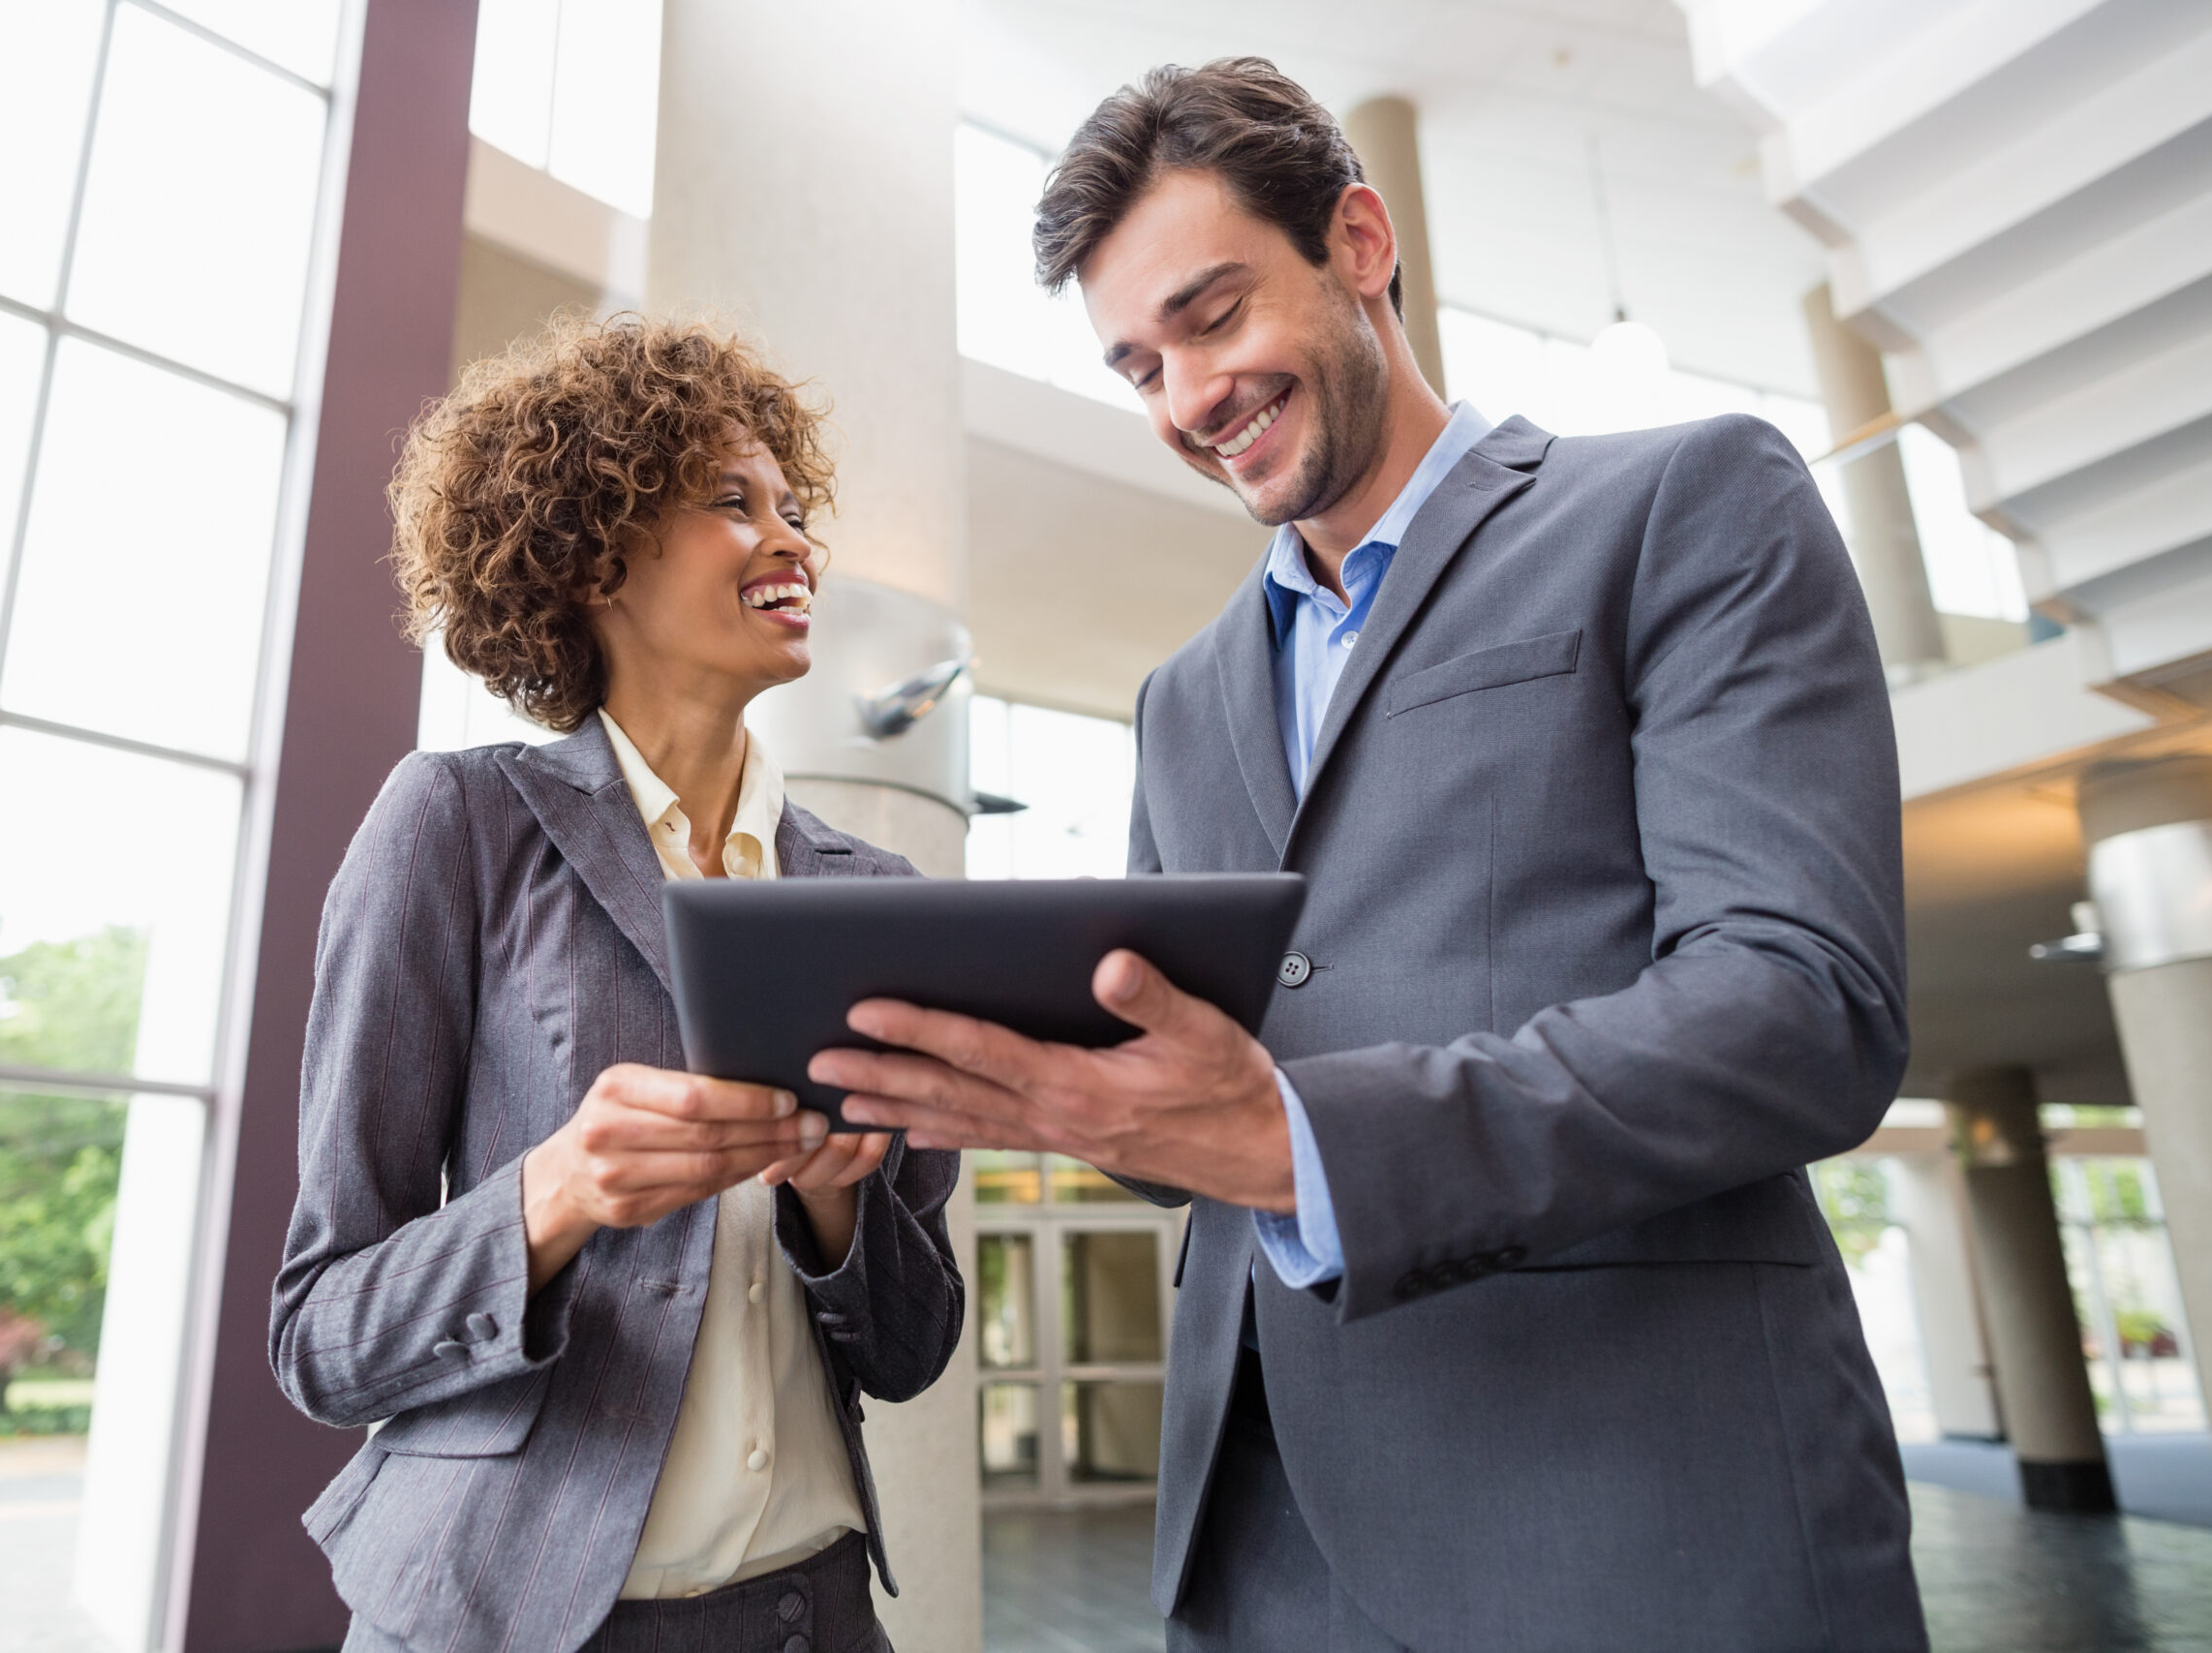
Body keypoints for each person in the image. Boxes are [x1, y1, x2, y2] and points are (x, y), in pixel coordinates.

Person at [812, 58, 1924, 1653]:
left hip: (1630, 1515)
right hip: (1261, 1551)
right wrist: (1045, 1080)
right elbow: (1190, 1113)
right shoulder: (1183, 698)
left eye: (1211, 318)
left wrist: (1298, 1144)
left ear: (1357, 241)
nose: (1187, 399)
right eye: (1139, 366)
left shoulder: (1684, 503)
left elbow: (1803, 1005)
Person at [270, 315, 960, 1653]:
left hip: (812, 1619)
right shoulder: (455, 827)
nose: (792, 541)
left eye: (793, 508)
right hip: (502, 1618)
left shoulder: (878, 896)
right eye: (732, 502)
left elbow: (913, 1347)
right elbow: (321, 1335)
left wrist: (836, 1208)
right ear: (592, 555)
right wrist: (555, 1195)